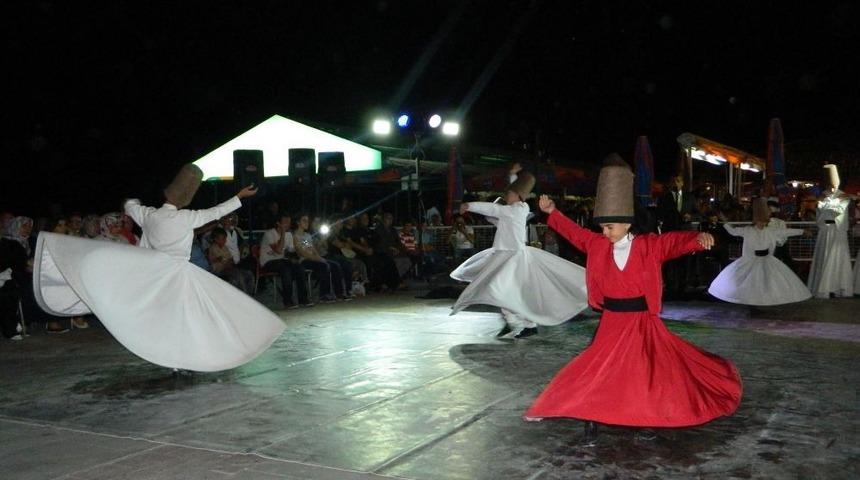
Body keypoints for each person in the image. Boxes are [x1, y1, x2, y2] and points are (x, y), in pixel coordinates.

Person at [524, 155, 741, 442]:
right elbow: (574, 233)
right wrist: (552, 213)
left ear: (626, 224)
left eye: (610, 227)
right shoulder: (597, 245)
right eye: (602, 227)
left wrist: (698, 239)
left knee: (646, 373)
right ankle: (589, 416)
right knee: (597, 367)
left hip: (641, 322)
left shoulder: (649, 246)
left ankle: (646, 418)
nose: (604, 232)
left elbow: (674, 242)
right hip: (612, 321)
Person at [33, 164, 285, 372]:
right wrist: (239, 196)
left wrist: (132, 200)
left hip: (155, 273)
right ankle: (185, 358)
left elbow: (130, 205)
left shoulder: (149, 215)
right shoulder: (186, 218)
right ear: (186, 198)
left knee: (167, 319)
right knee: (190, 318)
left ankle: (175, 361)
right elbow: (217, 211)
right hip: (177, 274)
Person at [450, 171, 589, 339]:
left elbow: (495, 209)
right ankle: (520, 324)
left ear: (516, 196)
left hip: (513, 258)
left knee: (502, 291)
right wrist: (512, 177)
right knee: (504, 292)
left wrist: (470, 206)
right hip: (505, 256)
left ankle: (524, 324)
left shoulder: (516, 209)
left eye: (508, 194)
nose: (505, 196)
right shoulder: (512, 211)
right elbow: (495, 215)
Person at [708, 198, 811, 305]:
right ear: (756, 220)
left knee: (769, 281)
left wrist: (802, 231)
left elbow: (786, 232)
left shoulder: (771, 231)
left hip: (767, 259)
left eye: (764, 221)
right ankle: (749, 298)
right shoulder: (748, 230)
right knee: (749, 280)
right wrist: (724, 221)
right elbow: (733, 231)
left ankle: (767, 298)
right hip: (750, 259)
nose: (763, 223)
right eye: (761, 221)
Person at [807, 164, 853, 298]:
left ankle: (838, 288)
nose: (832, 188)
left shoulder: (843, 196)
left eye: (834, 185)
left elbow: (838, 211)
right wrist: (830, 204)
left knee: (837, 258)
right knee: (824, 257)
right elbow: (821, 212)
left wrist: (827, 204)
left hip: (838, 232)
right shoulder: (825, 196)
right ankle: (822, 288)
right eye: (830, 185)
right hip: (825, 231)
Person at [259, 214, 313, 308]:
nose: (288, 224)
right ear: (278, 223)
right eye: (285, 222)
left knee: (299, 268)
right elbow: (280, 250)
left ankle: (303, 299)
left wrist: (303, 250)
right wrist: (283, 233)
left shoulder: (302, 235)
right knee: (286, 268)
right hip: (269, 262)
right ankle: (288, 301)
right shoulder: (271, 234)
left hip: (285, 261)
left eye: (289, 222)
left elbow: (295, 250)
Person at [208, 227, 254, 295]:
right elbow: (222, 260)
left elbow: (230, 259)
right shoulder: (213, 248)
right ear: (216, 239)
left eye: (225, 238)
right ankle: (245, 296)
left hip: (228, 268)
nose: (225, 240)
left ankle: (250, 294)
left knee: (249, 274)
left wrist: (229, 261)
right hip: (219, 271)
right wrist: (228, 261)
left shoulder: (224, 247)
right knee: (238, 276)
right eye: (223, 239)